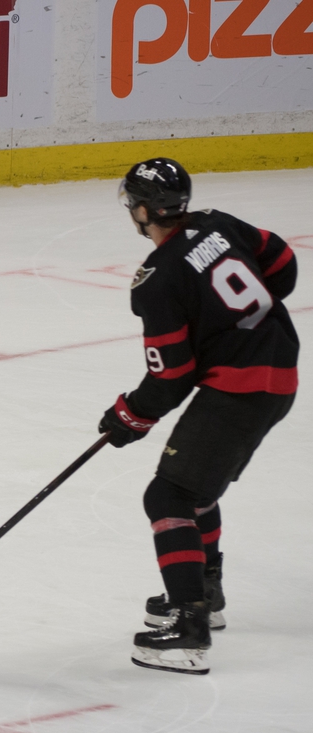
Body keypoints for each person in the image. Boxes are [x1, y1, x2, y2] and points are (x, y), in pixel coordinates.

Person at [98, 158, 298, 675]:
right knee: (198, 488)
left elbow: (173, 375)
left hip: (239, 390)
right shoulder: (218, 223)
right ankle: (204, 593)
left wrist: (130, 415)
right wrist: (241, 325)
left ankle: (190, 629)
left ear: (143, 211)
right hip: (279, 373)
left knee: (169, 496)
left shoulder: (156, 281)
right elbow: (284, 264)